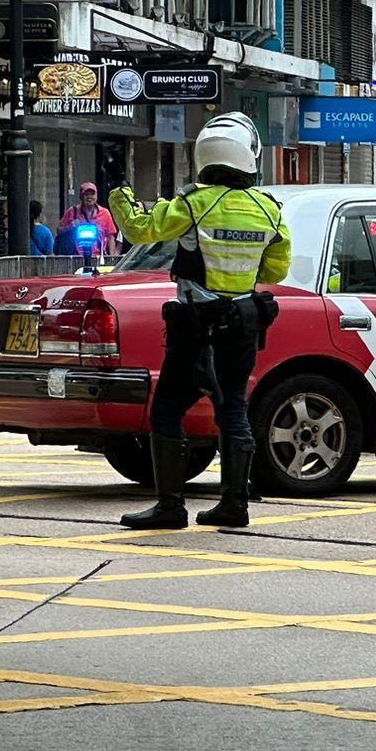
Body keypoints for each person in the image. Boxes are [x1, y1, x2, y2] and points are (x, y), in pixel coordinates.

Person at [107, 113, 291, 531]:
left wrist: (119, 193)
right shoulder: (269, 210)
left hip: (195, 326)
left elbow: (140, 230)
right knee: (234, 411)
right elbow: (275, 273)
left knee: (168, 411)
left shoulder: (194, 202)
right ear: (249, 155)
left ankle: (171, 506)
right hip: (242, 325)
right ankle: (235, 504)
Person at [59, 182, 117, 262]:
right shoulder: (72, 212)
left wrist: (112, 258)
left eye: (92, 194)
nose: (89, 197)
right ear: (81, 196)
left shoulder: (105, 213)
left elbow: (111, 237)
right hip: (75, 258)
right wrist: (71, 226)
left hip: (98, 258)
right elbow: (59, 231)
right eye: (86, 194)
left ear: (96, 196)